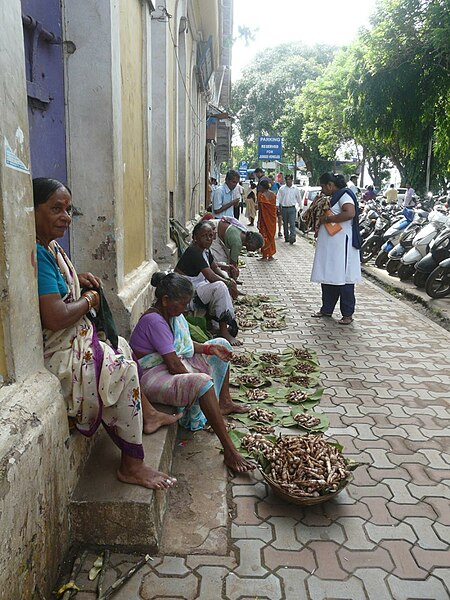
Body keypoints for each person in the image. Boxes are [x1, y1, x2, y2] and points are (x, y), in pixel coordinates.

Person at [33, 177, 179, 490]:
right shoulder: (38, 254)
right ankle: (132, 465)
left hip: (73, 339)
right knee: (121, 369)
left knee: (122, 345)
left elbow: (59, 289)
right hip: (56, 351)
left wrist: (78, 278)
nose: (65, 216)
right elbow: (56, 317)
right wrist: (89, 300)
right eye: (55, 208)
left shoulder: (50, 248)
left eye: (69, 210)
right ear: (31, 210)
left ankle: (149, 414)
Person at [129, 272, 255, 473]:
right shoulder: (155, 321)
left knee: (220, 343)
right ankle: (230, 451)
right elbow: (174, 365)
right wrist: (199, 379)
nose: (186, 308)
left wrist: (208, 349)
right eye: (182, 303)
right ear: (166, 300)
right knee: (202, 382)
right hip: (151, 377)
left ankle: (224, 402)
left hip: (168, 365)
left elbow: (185, 346)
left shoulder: (170, 315)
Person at [175, 221, 242, 345]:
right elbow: (211, 276)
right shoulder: (194, 251)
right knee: (220, 286)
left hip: (196, 287)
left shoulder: (205, 251)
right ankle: (224, 331)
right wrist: (229, 284)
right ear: (195, 238)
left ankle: (218, 322)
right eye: (204, 236)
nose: (209, 239)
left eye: (211, 236)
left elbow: (215, 267)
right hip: (187, 292)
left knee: (224, 282)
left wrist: (229, 278)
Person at [310, 172, 362, 325]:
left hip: (342, 245)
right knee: (329, 276)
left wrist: (329, 218)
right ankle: (327, 308)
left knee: (344, 279)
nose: (322, 189)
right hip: (331, 246)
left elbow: (350, 213)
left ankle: (347, 314)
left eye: (323, 186)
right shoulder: (333, 197)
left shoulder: (344, 196)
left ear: (330, 185)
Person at [277, 174, 301, 244]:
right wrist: (277, 206)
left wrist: (301, 207)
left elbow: (299, 198)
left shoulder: (295, 189)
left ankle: (292, 237)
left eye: (289, 179)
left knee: (292, 223)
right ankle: (286, 237)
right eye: (287, 180)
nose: (288, 181)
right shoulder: (282, 189)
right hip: (284, 208)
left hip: (292, 208)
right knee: (285, 224)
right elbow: (278, 198)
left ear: (292, 180)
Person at [257, 178, 277, 261]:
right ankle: (271, 255)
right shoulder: (273, 195)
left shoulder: (261, 196)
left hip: (264, 220)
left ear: (263, 187)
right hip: (272, 219)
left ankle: (265, 256)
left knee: (264, 235)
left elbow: (261, 210)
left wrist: (258, 220)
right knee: (271, 236)